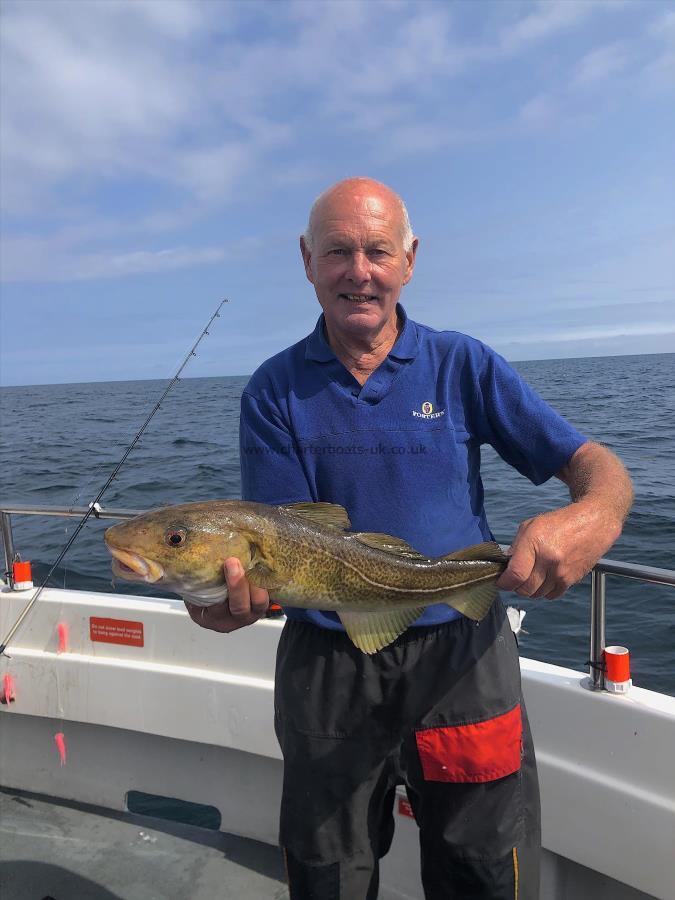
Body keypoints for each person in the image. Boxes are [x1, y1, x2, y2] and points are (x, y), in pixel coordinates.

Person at [186, 178, 634, 899]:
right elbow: (273, 544)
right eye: (337, 252)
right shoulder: (272, 391)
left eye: (376, 251)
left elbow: (594, 465)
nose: (357, 271)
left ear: (408, 260)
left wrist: (595, 514)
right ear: (306, 260)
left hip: (462, 654)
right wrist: (224, 598)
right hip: (326, 665)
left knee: (482, 867)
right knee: (327, 871)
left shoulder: (462, 364)